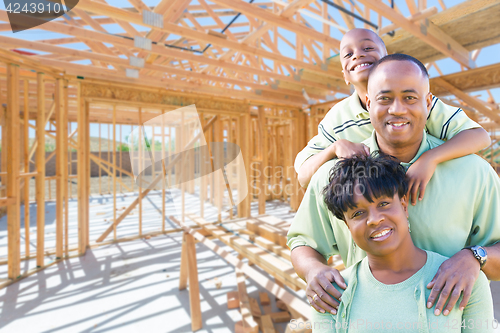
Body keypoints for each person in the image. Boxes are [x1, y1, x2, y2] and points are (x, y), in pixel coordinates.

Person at [287, 54, 500, 318]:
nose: (397, 109)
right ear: (368, 102)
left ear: (428, 102)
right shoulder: (333, 176)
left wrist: (475, 257)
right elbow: (303, 241)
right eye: (384, 98)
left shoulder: (474, 173)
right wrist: (313, 270)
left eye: (410, 97)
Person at [295, 29, 490, 208]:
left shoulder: (418, 105)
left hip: (427, 199)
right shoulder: (338, 117)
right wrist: (334, 148)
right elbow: (304, 176)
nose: (358, 54)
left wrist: (430, 158)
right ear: (345, 75)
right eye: (348, 54)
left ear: (386, 61)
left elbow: (479, 136)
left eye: (368, 47)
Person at [310, 154, 494, 332]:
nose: (374, 220)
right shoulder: (330, 293)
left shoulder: (464, 279)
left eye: (383, 204)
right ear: (347, 226)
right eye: (358, 214)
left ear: (404, 206)